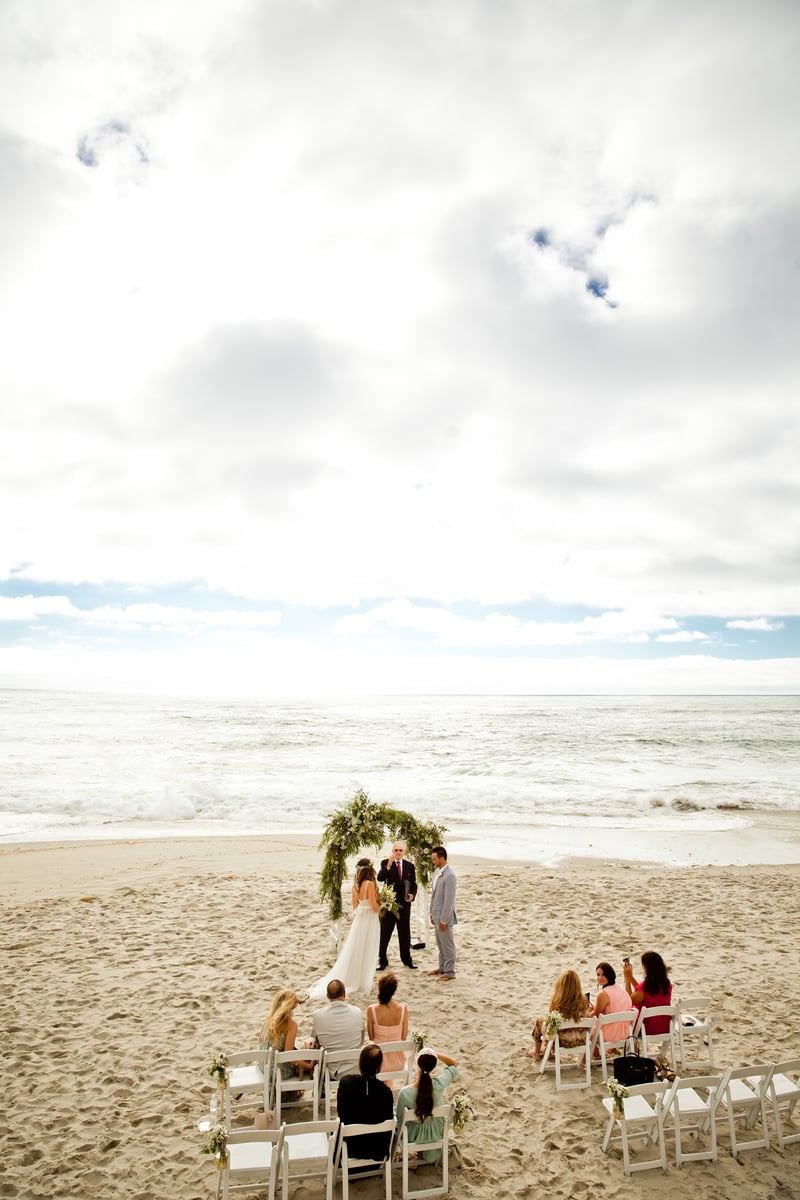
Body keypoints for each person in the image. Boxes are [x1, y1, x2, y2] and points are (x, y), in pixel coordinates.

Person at [307, 859, 381, 1000]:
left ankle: (356, 977)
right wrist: (383, 906)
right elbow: (374, 906)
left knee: (357, 948)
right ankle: (362, 980)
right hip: (369, 920)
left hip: (360, 921)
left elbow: (355, 905)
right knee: (368, 948)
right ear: (369, 870)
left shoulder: (356, 885)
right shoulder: (370, 884)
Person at [336, 1043, 394, 1170]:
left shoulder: (346, 1083)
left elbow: (341, 1114)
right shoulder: (385, 1092)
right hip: (376, 1155)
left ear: (360, 1063)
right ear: (379, 1067)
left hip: (348, 1152)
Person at [395, 1047, 459, 1163]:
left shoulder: (405, 1092)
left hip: (412, 1136)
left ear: (417, 1065)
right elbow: (454, 1064)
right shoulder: (440, 1084)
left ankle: (420, 1151)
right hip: (435, 1133)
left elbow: (399, 1118)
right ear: (433, 1067)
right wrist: (435, 1054)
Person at [527, 969, 592, 1061]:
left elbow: (551, 1024)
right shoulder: (584, 1001)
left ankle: (537, 1053)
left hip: (561, 1042)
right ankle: (547, 1051)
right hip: (580, 1040)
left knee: (540, 1021)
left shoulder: (557, 1002)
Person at [311, 980, 365, 1078]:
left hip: (331, 1072)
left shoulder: (317, 1015)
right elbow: (361, 1041)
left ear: (327, 996)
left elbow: (315, 1040)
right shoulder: (357, 1012)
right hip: (355, 1068)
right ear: (344, 994)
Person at [377, 840, 418, 969]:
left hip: (404, 906)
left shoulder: (410, 866)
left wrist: (412, 895)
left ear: (404, 852)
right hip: (389, 905)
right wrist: (388, 866)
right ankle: (382, 960)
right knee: (385, 934)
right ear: (392, 851)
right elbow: (380, 878)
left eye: (400, 850)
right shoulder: (385, 863)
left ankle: (407, 960)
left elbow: (414, 884)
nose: (398, 852)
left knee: (405, 934)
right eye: (396, 850)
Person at [367, 972, 409, 1080]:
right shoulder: (403, 1009)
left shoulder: (371, 1010)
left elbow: (371, 1037)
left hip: (378, 1062)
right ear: (394, 990)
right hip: (398, 1062)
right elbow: (403, 1037)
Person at [624, 951, 673, 1035]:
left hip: (646, 1029)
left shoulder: (645, 988)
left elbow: (629, 1000)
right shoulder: (667, 985)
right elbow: (641, 993)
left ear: (647, 968)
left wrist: (627, 979)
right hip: (664, 1028)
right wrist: (631, 977)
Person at [428, 846, 457, 982]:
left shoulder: (450, 876)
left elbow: (448, 900)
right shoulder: (437, 872)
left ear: (442, 858)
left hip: (444, 917)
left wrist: (443, 920)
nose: (433, 861)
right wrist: (432, 913)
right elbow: (434, 895)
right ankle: (442, 967)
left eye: (435, 859)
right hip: (436, 914)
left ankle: (450, 972)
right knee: (440, 944)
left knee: (448, 945)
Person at [590, 961, 633, 1048]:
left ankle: (596, 1054)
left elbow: (595, 1015)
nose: (600, 978)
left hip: (612, 1034)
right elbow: (615, 1008)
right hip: (626, 1031)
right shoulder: (619, 987)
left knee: (589, 1033)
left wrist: (586, 1014)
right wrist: (595, 1007)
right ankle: (612, 1050)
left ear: (609, 975)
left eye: (603, 975)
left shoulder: (603, 994)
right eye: (598, 975)